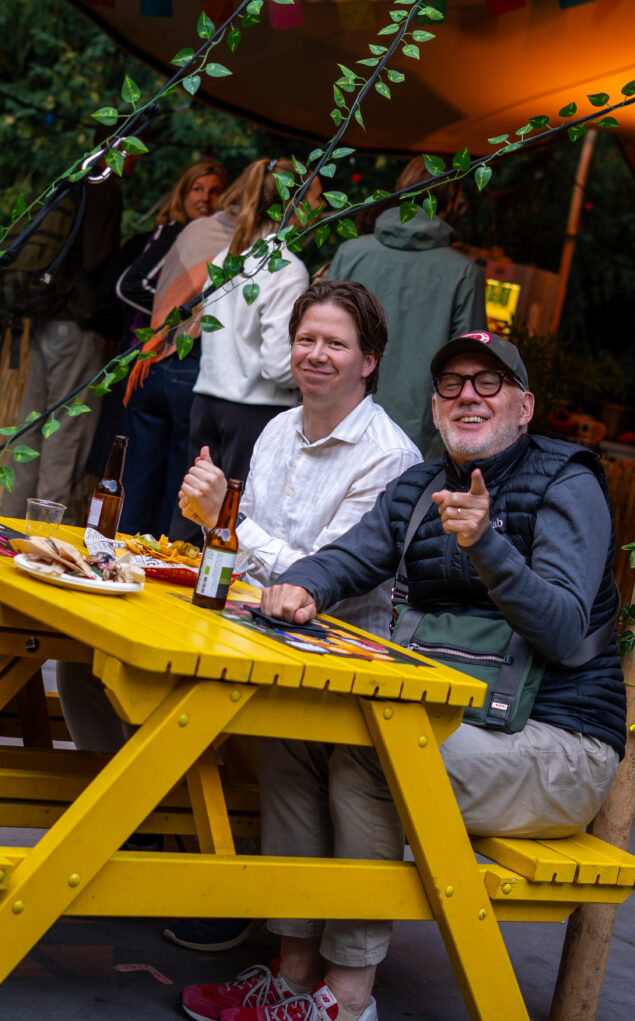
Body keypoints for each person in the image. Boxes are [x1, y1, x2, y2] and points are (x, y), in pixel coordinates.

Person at [184, 329, 627, 1021]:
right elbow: (349, 556)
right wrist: (303, 588)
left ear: (524, 406)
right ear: (434, 403)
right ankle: (295, 977)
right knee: (293, 734)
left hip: (559, 747)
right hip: (460, 726)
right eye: (452, 383)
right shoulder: (422, 485)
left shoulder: (567, 482)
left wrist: (487, 545)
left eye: (489, 384)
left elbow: (560, 626)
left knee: (372, 759)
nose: (468, 396)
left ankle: (349, 1005)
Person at [55, 279, 421, 946]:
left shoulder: (390, 456)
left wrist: (223, 518)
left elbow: (320, 581)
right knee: (83, 667)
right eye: (305, 339)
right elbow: (242, 553)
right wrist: (211, 521)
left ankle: (210, 884)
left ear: (368, 361)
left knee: (171, 702)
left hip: (320, 659)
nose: (315, 353)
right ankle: (148, 838)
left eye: (335, 343)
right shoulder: (280, 428)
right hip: (243, 630)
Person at [169, 158, 324, 544]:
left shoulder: (227, 259)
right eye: (318, 198)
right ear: (295, 204)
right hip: (255, 414)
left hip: (206, 401)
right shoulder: (287, 268)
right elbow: (276, 366)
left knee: (192, 514)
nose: (323, 208)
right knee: (231, 527)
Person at [100, 161, 229, 536]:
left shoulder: (205, 233)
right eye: (197, 189)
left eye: (215, 190)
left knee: (143, 481)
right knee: (167, 485)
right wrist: (168, 320)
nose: (206, 198)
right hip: (162, 352)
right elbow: (130, 284)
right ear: (181, 192)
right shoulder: (179, 232)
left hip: (159, 357)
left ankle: (118, 556)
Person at [327, 156, 487, 455]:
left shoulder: (350, 253)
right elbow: (469, 365)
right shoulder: (465, 273)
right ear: (452, 200)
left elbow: (319, 336)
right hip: (416, 437)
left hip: (338, 417)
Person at [2, 167, 123, 523]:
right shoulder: (105, 188)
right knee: (63, 435)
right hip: (74, 323)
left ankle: (6, 526)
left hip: (41, 320)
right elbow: (97, 259)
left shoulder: (69, 181)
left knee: (29, 427)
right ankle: (44, 535)